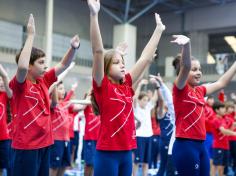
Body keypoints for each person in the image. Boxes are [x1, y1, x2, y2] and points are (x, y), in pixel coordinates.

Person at [87, 0, 165, 175]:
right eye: (116, 63)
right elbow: (98, 51)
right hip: (107, 153)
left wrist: (158, 30)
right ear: (105, 69)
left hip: (127, 151)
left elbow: (145, 58)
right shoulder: (102, 86)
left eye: (123, 62)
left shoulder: (126, 85)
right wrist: (94, 15)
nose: (122, 65)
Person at [9, 14, 80, 176]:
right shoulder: (20, 85)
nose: (45, 66)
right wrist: (31, 35)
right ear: (29, 65)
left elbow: (63, 64)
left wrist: (73, 48)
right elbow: (21, 68)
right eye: (41, 62)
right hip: (26, 147)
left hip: (45, 143)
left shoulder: (44, 81)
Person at [171, 34, 236, 176]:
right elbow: (186, 65)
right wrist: (186, 45)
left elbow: (222, 82)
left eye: (200, 69)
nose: (199, 72)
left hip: (201, 145)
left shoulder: (200, 91)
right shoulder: (180, 89)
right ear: (183, 72)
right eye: (194, 70)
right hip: (186, 145)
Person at [211, 101, 236, 176]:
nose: (224, 109)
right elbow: (223, 131)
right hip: (218, 146)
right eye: (222, 108)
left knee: (222, 167)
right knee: (218, 166)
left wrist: (233, 126)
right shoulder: (216, 120)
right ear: (217, 110)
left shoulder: (223, 119)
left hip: (226, 146)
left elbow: (227, 132)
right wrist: (234, 133)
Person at [0, 64, 13, 176]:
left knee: (5, 166)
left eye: (2, 80)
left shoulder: (4, 95)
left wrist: (4, 75)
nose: (1, 83)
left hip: (4, 138)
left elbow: (9, 85)